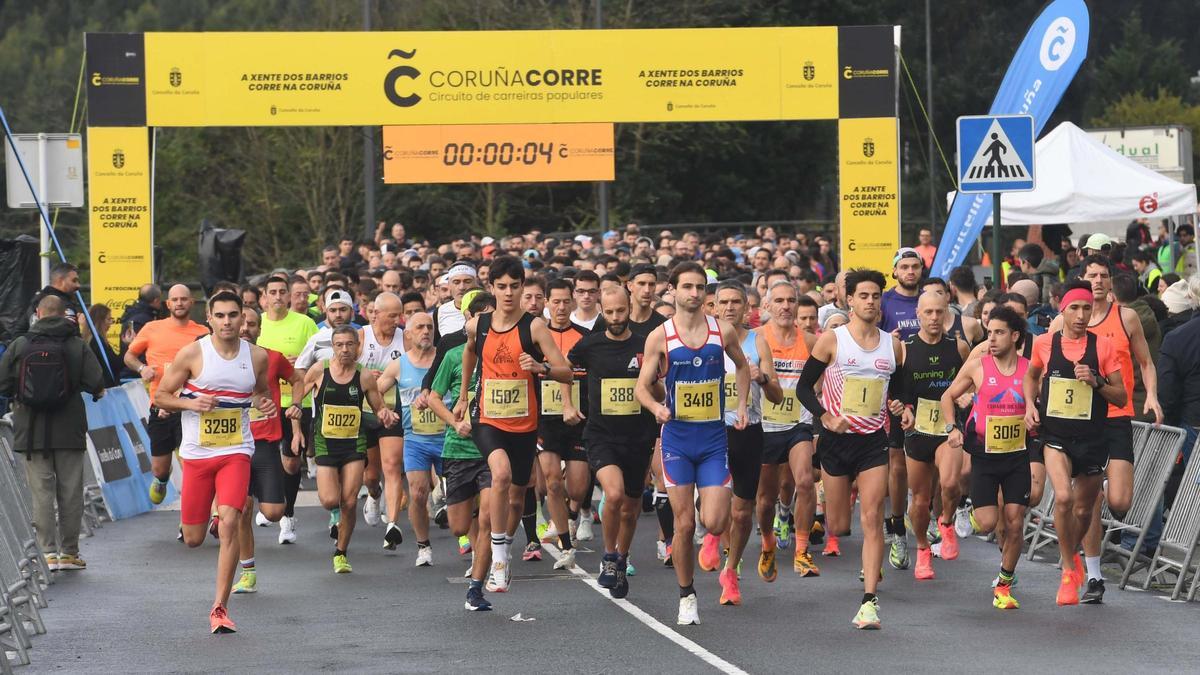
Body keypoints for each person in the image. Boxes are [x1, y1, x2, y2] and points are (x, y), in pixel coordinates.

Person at [634, 261, 751, 626]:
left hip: (714, 438)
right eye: (687, 287)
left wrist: (742, 405)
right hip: (677, 440)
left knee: (715, 523)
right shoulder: (660, 336)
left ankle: (706, 501)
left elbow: (743, 367)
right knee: (684, 525)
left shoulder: (723, 332)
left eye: (700, 287)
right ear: (673, 290)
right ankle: (687, 595)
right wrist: (656, 406)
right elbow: (641, 385)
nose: (694, 293)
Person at [153, 291, 275, 633]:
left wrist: (264, 404)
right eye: (220, 315)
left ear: (243, 318)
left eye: (233, 315)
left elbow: (261, 392)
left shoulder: (257, 357)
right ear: (209, 318)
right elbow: (162, 395)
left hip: (236, 450)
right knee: (193, 538)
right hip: (197, 455)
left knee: (233, 520)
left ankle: (220, 607)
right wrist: (192, 405)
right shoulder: (193, 353)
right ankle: (211, 518)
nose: (227, 322)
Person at [1047, 255, 1162, 603]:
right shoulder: (1061, 322)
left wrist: (1152, 396)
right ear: (1083, 279)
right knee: (1091, 500)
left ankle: (1103, 484)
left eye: (1103, 276)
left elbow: (1146, 362)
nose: (1097, 281)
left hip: (1117, 413)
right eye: (1092, 275)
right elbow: (1043, 366)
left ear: (1111, 282)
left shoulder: (1126, 317)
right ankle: (1093, 575)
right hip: (1079, 421)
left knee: (1120, 501)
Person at [458, 255, 574, 593]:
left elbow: (566, 370)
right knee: (502, 475)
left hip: (524, 424)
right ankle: (498, 559)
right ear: (491, 289)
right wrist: (464, 394)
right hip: (487, 418)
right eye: (502, 287)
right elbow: (469, 351)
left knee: (516, 496)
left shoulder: (534, 327)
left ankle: (503, 548)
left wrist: (542, 369)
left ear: (523, 287)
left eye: (514, 286)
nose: (508, 293)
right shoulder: (478, 325)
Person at [796, 268, 901, 629]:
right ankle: (839, 505)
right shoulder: (832, 340)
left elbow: (898, 393)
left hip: (873, 442)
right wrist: (825, 417)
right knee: (840, 526)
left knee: (872, 519)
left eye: (876, 296)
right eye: (864, 296)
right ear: (850, 300)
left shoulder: (893, 345)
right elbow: (803, 389)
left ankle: (868, 602)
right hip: (837, 441)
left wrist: (903, 407)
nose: (871, 302)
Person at [1024, 280, 1125, 607]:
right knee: (1063, 498)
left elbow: (1121, 396)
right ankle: (1069, 568)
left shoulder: (1103, 348)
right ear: (1062, 310)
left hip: (1093, 438)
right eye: (1074, 308)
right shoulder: (1044, 344)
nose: (1081, 315)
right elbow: (1031, 376)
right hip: (1055, 437)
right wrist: (1029, 405)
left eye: (1086, 308)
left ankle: (1076, 559)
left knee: (1084, 510)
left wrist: (1096, 382)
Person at [567, 286, 661, 599]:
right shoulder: (589, 346)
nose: (616, 318)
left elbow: (659, 389)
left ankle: (622, 557)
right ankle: (608, 556)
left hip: (639, 436)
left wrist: (655, 389)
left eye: (621, 311)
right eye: (609, 312)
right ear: (601, 310)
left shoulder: (645, 345)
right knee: (614, 493)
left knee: (632, 507)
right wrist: (569, 404)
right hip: (601, 434)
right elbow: (566, 373)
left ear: (629, 307)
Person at [0, 295, 105, 572]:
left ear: (37, 313)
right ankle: (69, 552)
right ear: (65, 314)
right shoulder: (76, 345)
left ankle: (47, 552)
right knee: (70, 492)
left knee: (41, 493)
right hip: (69, 429)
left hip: (31, 431)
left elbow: (2, 382)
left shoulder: (21, 345)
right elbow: (96, 381)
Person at [942, 306, 1031, 609]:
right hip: (984, 455)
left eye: (999, 332)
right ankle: (968, 510)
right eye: (989, 332)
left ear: (1015, 335)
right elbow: (948, 396)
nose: (991, 338)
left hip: (1018, 455)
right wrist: (952, 427)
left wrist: (1036, 417)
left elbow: (1039, 402)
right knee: (989, 522)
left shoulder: (1030, 369)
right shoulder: (978, 367)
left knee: (1016, 521)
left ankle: (1004, 584)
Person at [295, 325, 398, 574]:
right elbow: (298, 395)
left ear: (357, 347)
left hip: (354, 442)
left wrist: (384, 414)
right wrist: (296, 425)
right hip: (325, 442)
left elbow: (377, 406)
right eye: (339, 345)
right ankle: (336, 511)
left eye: (349, 344)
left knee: (349, 502)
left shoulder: (364, 376)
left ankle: (341, 553)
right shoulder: (320, 370)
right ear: (333, 347)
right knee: (330, 499)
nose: (344, 349)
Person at [426, 291, 497, 610]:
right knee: (459, 526)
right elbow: (434, 397)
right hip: (458, 449)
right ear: (469, 321)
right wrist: (455, 424)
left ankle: (476, 587)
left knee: (488, 519)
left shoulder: (504, 353)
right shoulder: (455, 355)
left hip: (493, 449)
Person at [710, 280, 779, 606]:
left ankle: (731, 570)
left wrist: (761, 377)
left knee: (741, 512)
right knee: (713, 505)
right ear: (713, 306)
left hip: (748, 429)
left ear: (747, 308)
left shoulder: (758, 342)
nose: (728, 308)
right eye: (722, 302)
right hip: (709, 430)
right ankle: (710, 533)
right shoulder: (704, 341)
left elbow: (777, 396)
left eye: (735, 302)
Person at [894, 291, 969, 580]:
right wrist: (901, 407)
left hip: (948, 429)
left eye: (939, 312)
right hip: (917, 431)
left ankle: (947, 523)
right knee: (921, 499)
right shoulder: (905, 347)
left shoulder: (958, 347)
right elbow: (895, 387)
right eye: (929, 313)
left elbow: (969, 380)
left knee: (950, 483)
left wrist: (967, 395)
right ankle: (923, 549)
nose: (935, 318)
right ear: (919, 314)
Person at [231, 307, 302, 594]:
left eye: (252, 324)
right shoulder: (220, 359)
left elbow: (298, 379)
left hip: (266, 444)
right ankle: (248, 572)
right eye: (243, 323)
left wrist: (295, 404)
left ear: (260, 329)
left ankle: (262, 495)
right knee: (242, 509)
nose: (246, 328)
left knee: (273, 512)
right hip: (235, 445)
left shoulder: (271, 358)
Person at [124, 284, 211, 510]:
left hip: (190, 408)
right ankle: (163, 479)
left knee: (190, 466)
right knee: (159, 469)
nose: (180, 303)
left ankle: (191, 515)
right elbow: (129, 356)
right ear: (168, 304)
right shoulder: (152, 328)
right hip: (160, 406)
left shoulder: (203, 333)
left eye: (184, 299)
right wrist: (142, 368)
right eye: (175, 299)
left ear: (192, 302)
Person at [756, 281, 820, 578]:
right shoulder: (756, 339)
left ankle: (802, 551)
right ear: (767, 306)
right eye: (778, 300)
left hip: (798, 424)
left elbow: (821, 382)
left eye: (790, 300)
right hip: (764, 427)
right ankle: (768, 541)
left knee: (805, 481)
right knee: (766, 499)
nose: (785, 306)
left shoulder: (809, 341)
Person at [256, 275, 319, 544]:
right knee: (265, 457)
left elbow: (320, 358)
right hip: (265, 404)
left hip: (297, 401)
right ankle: (270, 501)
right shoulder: (257, 323)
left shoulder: (305, 323)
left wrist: (299, 363)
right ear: (265, 296)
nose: (279, 296)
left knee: (292, 463)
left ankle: (289, 515)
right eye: (273, 292)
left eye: (284, 292)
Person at [377, 312, 441, 563]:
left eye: (429, 327)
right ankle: (423, 546)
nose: (425, 331)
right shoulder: (399, 364)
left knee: (460, 496)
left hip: (447, 436)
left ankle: (464, 537)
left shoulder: (443, 360)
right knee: (418, 493)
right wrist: (382, 410)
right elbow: (375, 390)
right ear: (409, 334)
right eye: (419, 327)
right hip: (415, 439)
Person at [538, 279, 588, 568]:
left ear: (573, 302)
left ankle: (570, 516)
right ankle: (566, 546)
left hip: (578, 419)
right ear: (546, 303)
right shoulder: (537, 336)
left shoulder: (584, 337)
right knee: (553, 482)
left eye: (564, 301)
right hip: (546, 420)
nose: (560, 307)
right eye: (554, 301)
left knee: (578, 488)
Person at [879, 247, 923, 571]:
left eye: (914, 266)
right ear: (895, 271)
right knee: (897, 461)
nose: (910, 271)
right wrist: (886, 338)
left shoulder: (930, 299)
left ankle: (925, 512)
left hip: (928, 385)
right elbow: (868, 336)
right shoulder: (883, 302)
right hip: (895, 385)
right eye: (904, 267)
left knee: (929, 457)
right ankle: (897, 526)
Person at [356, 292, 406, 532]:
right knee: (371, 476)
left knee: (393, 465)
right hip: (365, 413)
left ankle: (393, 525)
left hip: (393, 411)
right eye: (392, 315)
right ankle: (374, 495)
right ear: (376, 314)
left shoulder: (405, 339)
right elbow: (344, 371)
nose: (397, 320)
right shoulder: (361, 337)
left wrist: (392, 377)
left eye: (400, 315)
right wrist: (365, 377)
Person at [25, 262, 83, 331]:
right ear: (60, 281)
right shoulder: (64, 305)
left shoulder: (36, 301)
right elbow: (70, 334)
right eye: (74, 281)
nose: (78, 285)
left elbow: (18, 331)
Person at [431, 262, 478, 343]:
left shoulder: (488, 307)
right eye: (456, 282)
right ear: (449, 285)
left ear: (476, 283)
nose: (462, 287)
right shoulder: (440, 311)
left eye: (467, 281)